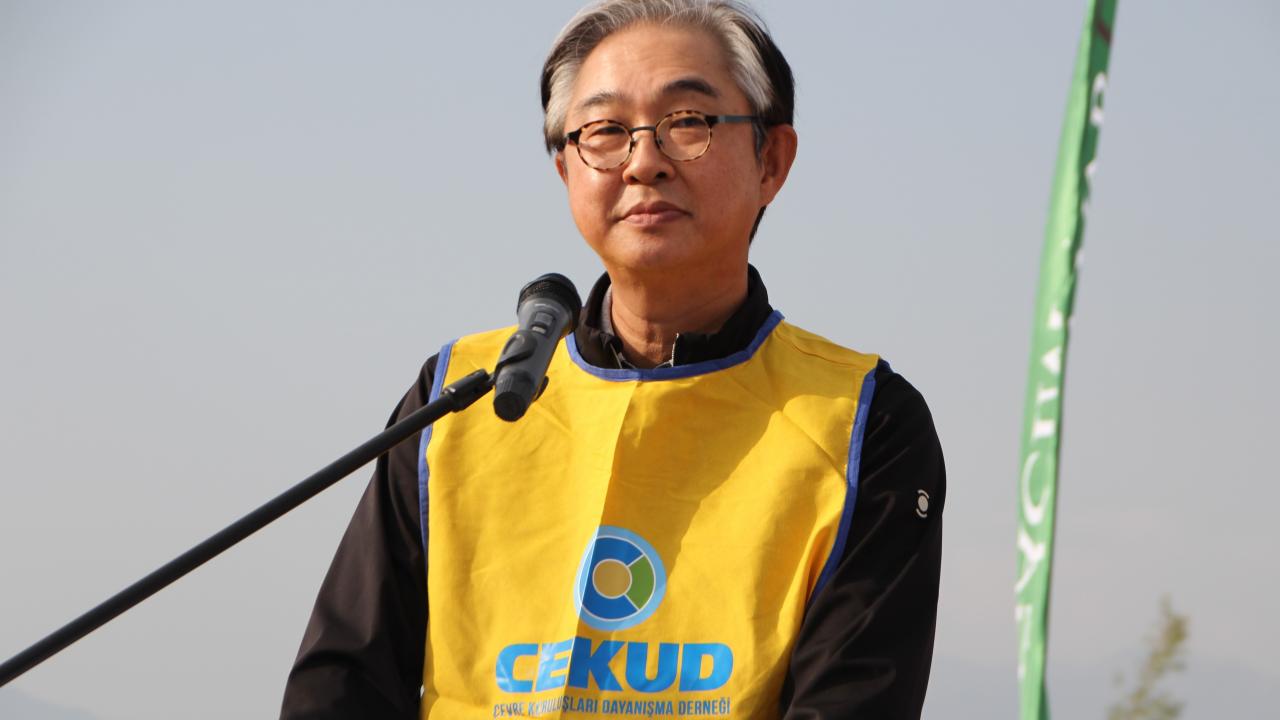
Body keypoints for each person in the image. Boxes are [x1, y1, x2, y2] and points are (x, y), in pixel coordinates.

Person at [281, 1, 944, 718]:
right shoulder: (460, 396)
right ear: (566, 168)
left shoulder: (864, 422)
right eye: (605, 131)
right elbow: (340, 688)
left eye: (688, 122)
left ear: (771, 161)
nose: (644, 162)